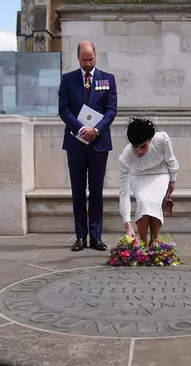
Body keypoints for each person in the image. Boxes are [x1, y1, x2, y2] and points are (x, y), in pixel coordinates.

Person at [58, 40, 117, 251]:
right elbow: (64, 110)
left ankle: (96, 236)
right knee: (78, 191)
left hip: (99, 144)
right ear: (78, 58)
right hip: (75, 144)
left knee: (97, 191)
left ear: (96, 55)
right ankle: (80, 237)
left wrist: (96, 130)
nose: (88, 63)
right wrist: (82, 129)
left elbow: (111, 110)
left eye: (90, 59)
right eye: (84, 60)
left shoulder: (107, 80)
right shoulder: (68, 80)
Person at [118, 117, 179, 246]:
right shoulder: (125, 157)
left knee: (154, 202)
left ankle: (155, 240)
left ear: (150, 140)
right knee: (143, 201)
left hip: (161, 173)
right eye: (135, 147)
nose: (139, 151)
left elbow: (171, 160)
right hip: (138, 176)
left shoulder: (162, 139)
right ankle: (144, 243)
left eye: (143, 146)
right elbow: (123, 193)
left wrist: (173, 180)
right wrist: (127, 225)